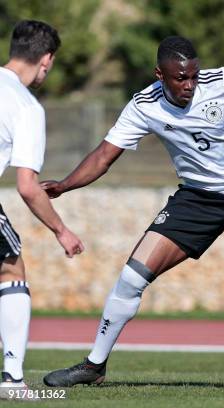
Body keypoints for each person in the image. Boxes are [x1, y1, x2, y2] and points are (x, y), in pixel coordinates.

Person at [42, 36, 224, 390]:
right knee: (133, 276)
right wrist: (66, 184)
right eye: (180, 78)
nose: (190, 85)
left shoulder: (223, 82)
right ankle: (94, 365)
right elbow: (104, 156)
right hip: (196, 200)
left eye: (194, 76)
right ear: (159, 75)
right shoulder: (143, 105)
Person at [0, 20, 84, 400]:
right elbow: (27, 187)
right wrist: (61, 231)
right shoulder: (25, 106)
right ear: (46, 60)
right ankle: (12, 378)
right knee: (10, 267)